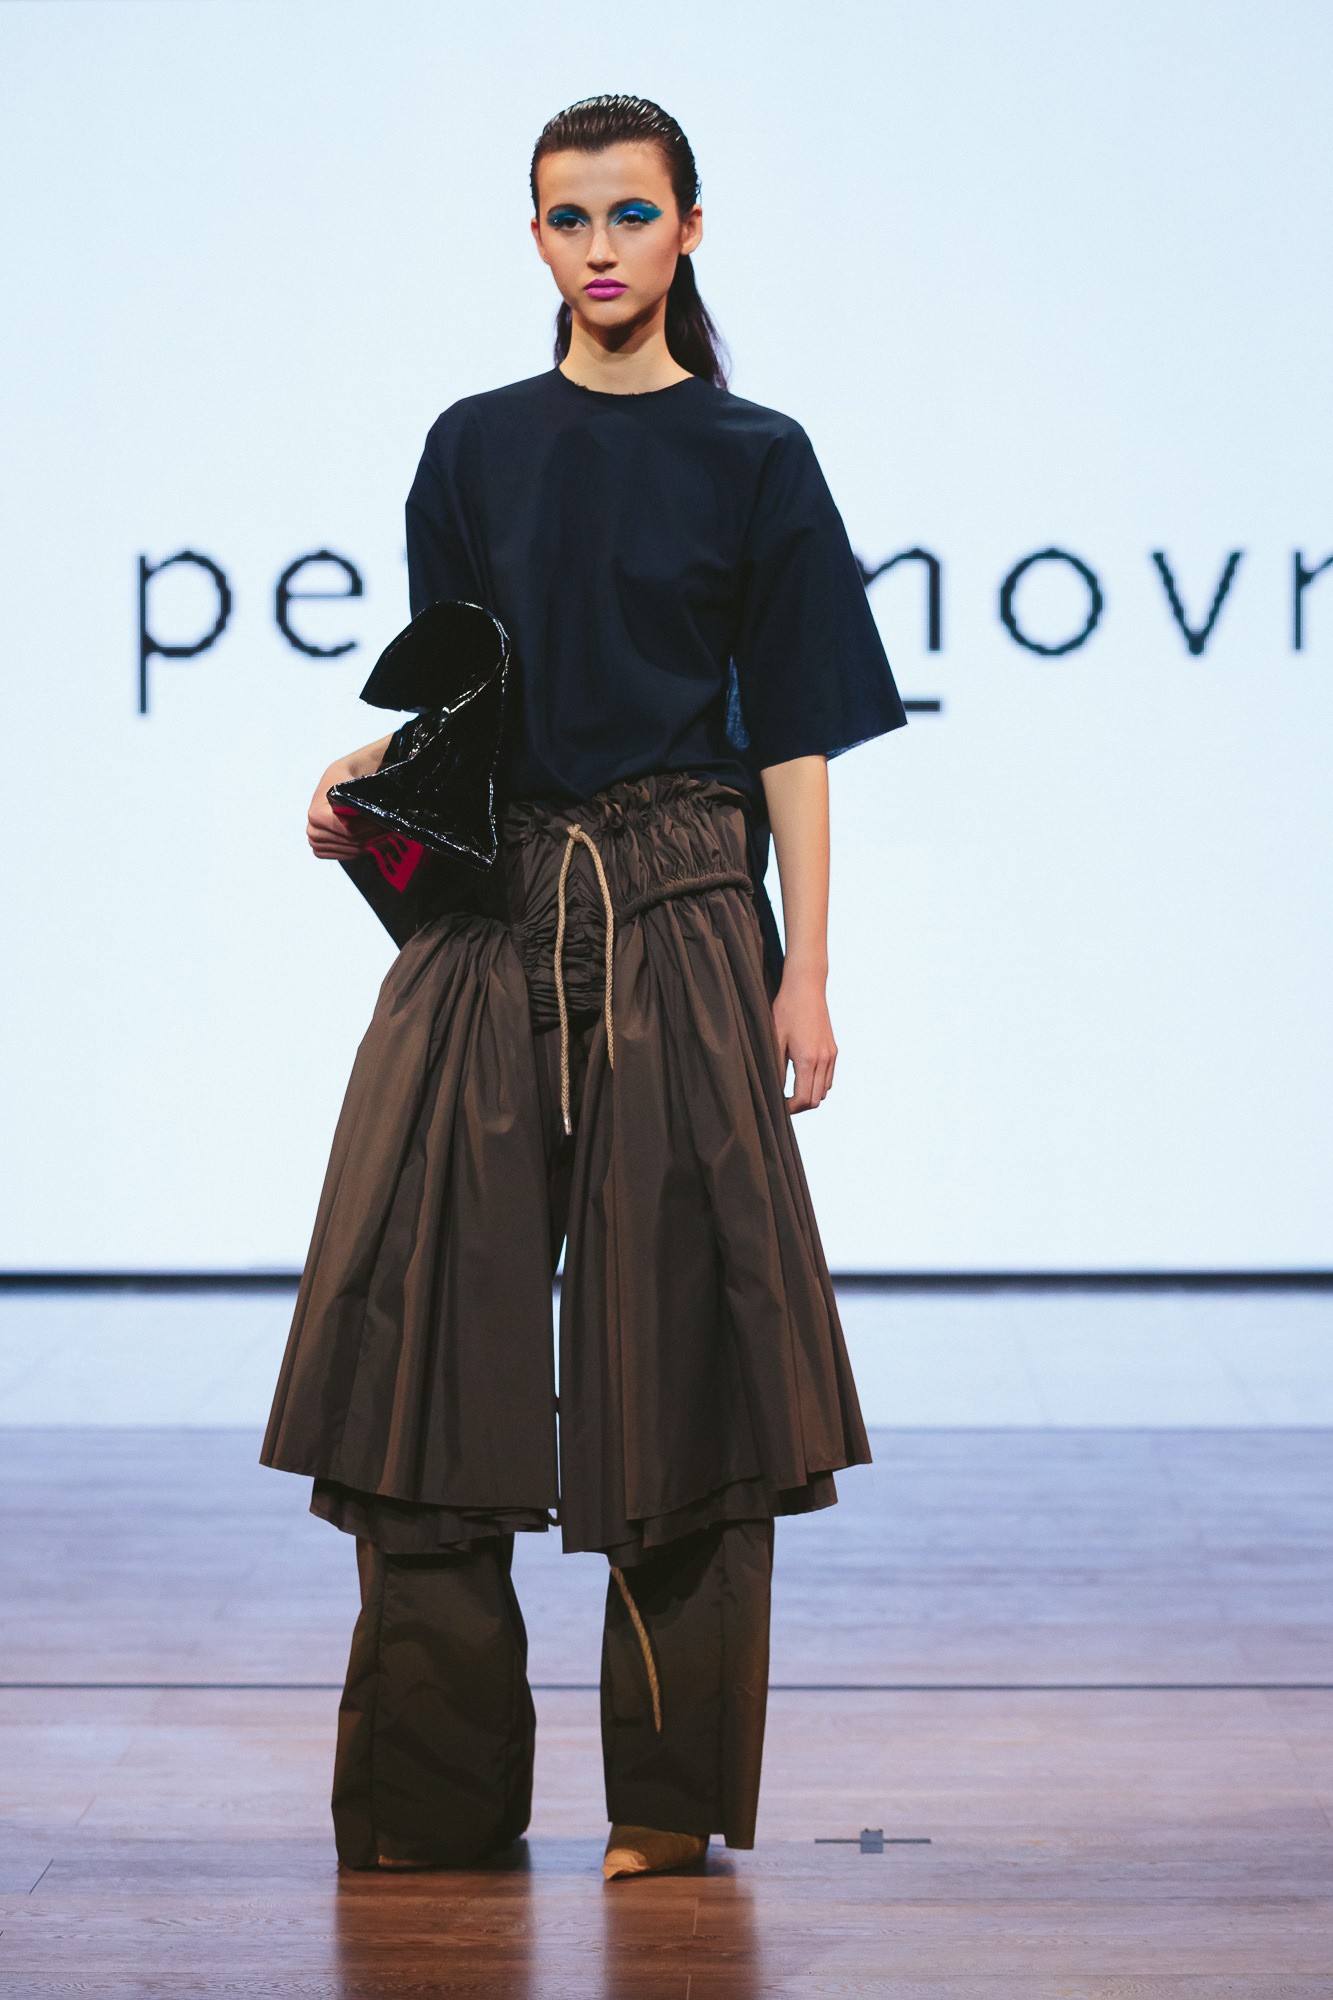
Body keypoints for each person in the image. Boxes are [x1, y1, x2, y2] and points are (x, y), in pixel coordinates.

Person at [261, 92, 907, 1882]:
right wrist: (362, 777)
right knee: (421, 1347)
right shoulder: (472, 445)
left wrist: (807, 970)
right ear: (534, 236)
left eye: (631, 213)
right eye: (568, 217)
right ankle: (434, 1804)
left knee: (686, 1364)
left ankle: (662, 1806)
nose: (601, 246)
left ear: (689, 227)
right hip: (494, 915)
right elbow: (462, 705)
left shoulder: (755, 455)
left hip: (683, 912)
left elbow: (793, 733)